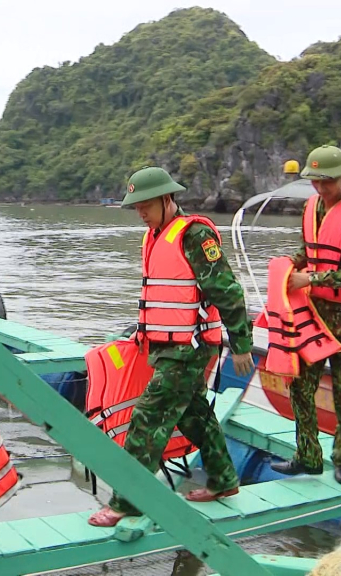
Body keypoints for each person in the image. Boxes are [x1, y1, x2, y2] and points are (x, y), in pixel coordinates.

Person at [88, 167, 255, 527]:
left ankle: (127, 502)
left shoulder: (194, 235)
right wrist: (141, 334)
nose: (141, 213)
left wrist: (241, 343)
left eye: (146, 205)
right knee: (194, 415)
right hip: (165, 347)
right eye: (136, 207)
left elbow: (226, 290)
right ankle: (225, 480)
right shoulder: (153, 236)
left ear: (167, 199)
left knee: (146, 421)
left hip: (189, 349)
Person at [271, 145, 341, 486]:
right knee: (300, 386)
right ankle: (308, 456)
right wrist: (290, 263)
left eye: (327, 182)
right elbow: (312, 249)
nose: (321, 188)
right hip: (315, 317)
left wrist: (313, 278)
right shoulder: (311, 207)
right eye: (316, 181)